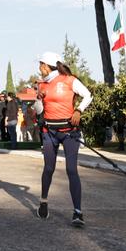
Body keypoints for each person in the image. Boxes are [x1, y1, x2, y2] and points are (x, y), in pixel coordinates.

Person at [32, 51, 92, 228]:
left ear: (46, 65)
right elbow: (39, 110)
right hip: (49, 131)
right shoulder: (41, 85)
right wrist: (38, 101)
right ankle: (43, 202)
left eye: (40, 65)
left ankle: (78, 212)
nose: (39, 69)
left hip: (68, 132)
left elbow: (88, 95)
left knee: (71, 170)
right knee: (48, 168)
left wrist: (78, 110)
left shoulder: (69, 80)